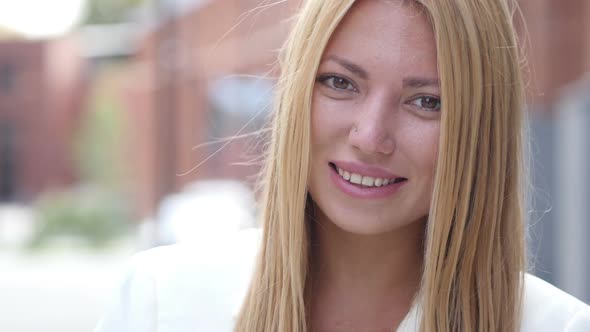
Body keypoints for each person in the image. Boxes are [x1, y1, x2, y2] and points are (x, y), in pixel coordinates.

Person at [96, 0, 590, 331]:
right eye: (340, 84)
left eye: (427, 102)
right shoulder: (161, 301)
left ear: (480, 133)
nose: (371, 137)